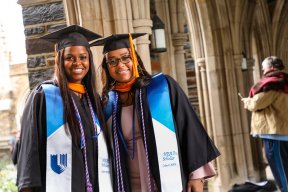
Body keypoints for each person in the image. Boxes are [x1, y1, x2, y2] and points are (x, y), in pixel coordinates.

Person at [90, 33, 220, 192]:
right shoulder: (107, 103)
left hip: (163, 179)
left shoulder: (161, 88)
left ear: (135, 60)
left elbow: (189, 127)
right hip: (128, 183)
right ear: (107, 67)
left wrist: (197, 175)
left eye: (126, 58)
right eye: (112, 61)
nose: (120, 64)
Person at [16, 25, 113, 192]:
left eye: (83, 57)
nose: (77, 63)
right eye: (70, 58)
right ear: (59, 60)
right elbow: (29, 154)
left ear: (89, 60)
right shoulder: (43, 96)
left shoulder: (93, 100)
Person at [241, 56, 288, 192]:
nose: (262, 70)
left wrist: (246, 101)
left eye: (264, 67)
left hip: (275, 135)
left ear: (272, 68)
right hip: (284, 132)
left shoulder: (273, 84)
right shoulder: (285, 81)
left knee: (281, 171)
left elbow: (256, 103)